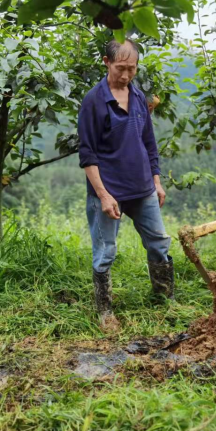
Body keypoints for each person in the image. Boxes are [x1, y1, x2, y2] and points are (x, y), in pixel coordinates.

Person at [78, 39, 173, 330]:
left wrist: (156, 181)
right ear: (106, 61)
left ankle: (165, 299)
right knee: (105, 251)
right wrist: (103, 195)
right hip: (110, 192)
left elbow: (149, 143)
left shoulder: (138, 95)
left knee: (159, 243)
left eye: (132, 69)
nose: (126, 75)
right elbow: (88, 155)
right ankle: (105, 312)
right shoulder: (94, 101)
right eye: (121, 68)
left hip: (142, 187)